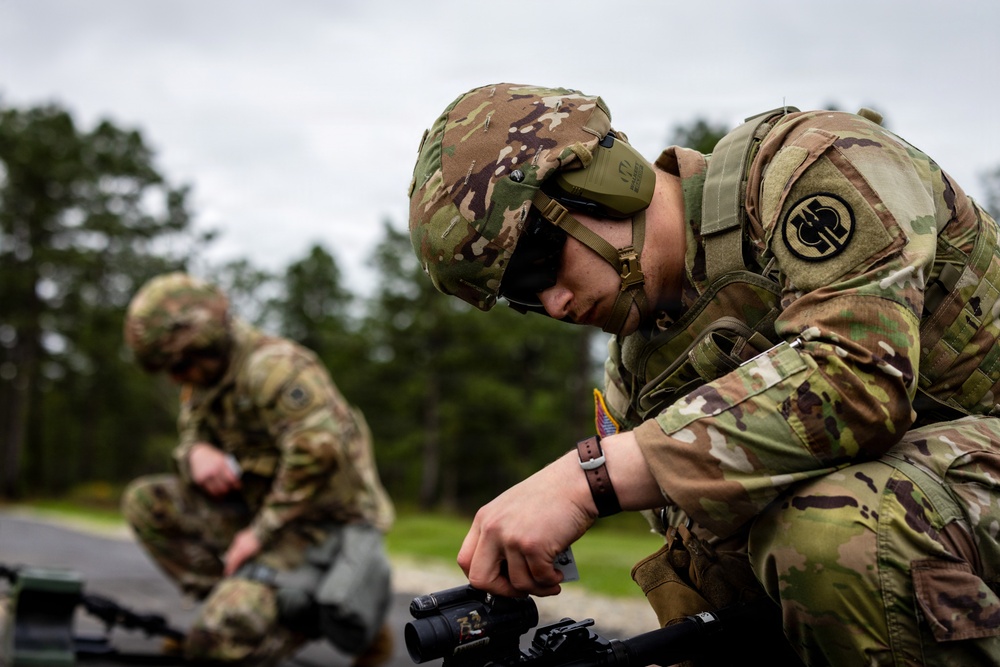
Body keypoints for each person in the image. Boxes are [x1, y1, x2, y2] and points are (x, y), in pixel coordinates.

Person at [407, 83, 1000, 665]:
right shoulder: (639, 377)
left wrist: (587, 478)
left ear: (601, 181)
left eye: (539, 263)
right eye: (523, 297)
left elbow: (859, 378)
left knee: (836, 531)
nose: (555, 305)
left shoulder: (806, 164)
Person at [121, 272, 396, 667]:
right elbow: (191, 435)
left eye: (178, 364)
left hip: (324, 525)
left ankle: (319, 618)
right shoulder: (205, 382)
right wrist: (195, 453)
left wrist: (256, 535)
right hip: (260, 512)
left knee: (213, 648)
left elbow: (317, 454)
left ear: (205, 343)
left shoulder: (275, 369)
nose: (175, 377)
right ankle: (235, 607)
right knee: (148, 502)